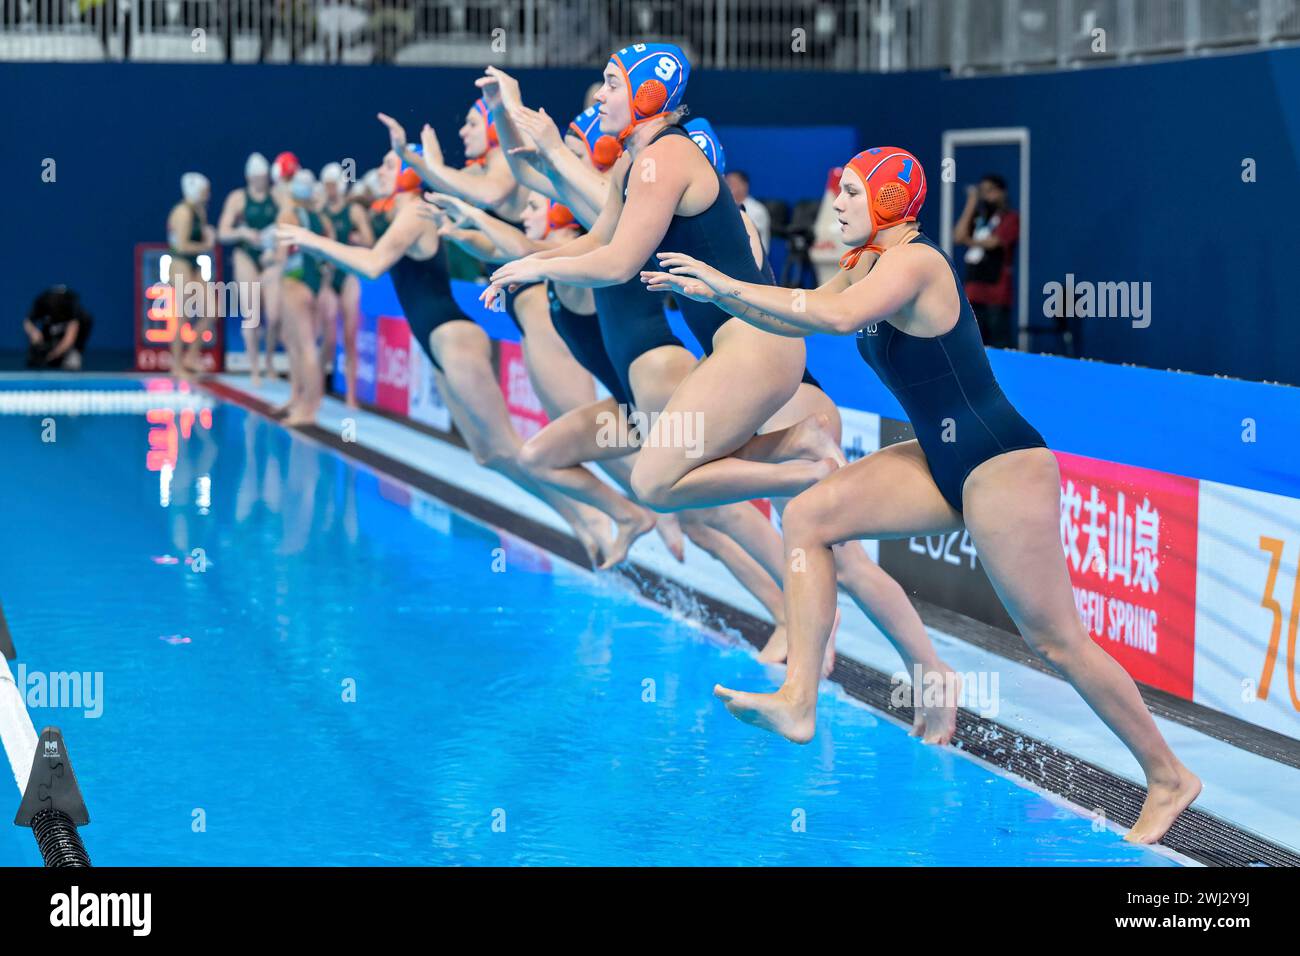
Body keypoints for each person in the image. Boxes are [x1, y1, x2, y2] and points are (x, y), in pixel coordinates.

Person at [642, 146, 1201, 845]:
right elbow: (801, 317)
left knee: (1056, 642)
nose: (835, 205)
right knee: (810, 516)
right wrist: (723, 293)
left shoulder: (917, 262)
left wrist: (728, 282)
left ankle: (1169, 774)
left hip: (999, 461)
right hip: (940, 454)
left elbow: (833, 320)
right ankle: (798, 698)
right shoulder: (871, 263)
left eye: (849, 192)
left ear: (886, 200)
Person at [483, 44, 840, 518]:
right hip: (736, 345)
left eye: (612, 85)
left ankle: (806, 464)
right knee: (662, 477)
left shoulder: (666, 158)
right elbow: (597, 242)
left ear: (647, 96)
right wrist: (524, 263)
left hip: (755, 345)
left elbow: (616, 264)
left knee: (654, 482)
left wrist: (536, 265)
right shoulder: (634, 165)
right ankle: (799, 444)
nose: (599, 99)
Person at [276, 138, 620, 568]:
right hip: (438, 343)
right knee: (490, 455)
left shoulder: (413, 214)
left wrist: (309, 239)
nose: (380, 172)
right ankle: (583, 519)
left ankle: (607, 513)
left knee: (512, 448)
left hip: (455, 338)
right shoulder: (404, 214)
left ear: (406, 174)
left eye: (388, 165)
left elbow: (370, 266)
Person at [217, 152, 283, 387]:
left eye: (262, 178)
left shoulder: (277, 196)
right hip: (246, 255)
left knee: (274, 317)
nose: (259, 182)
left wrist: (274, 248)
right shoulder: (237, 198)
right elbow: (222, 233)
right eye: (255, 178)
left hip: (270, 256)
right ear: (248, 177)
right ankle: (255, 369)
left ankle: (269, 362)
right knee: (252, 316)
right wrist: (242, 232)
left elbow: (293, 224)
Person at [274, 168, 331, 426]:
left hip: (294, 282)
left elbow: (280, 256)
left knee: (305, 346)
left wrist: (272, 263)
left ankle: (309, 408)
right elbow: (331, 252)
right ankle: (298, 397)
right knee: (294, 342)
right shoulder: (321, 218)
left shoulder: (288, 214)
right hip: (313, 283)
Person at [318, 162, 375, 407]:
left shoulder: (353, 212)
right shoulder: (319, 212)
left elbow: (371, 241)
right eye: (327, 185)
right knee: (329, 338)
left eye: (333, 185)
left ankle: (351, 395)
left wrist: (357, 240)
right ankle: (317, 386)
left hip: (349, 275)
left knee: (350, 338)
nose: (330, 190)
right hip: (329, 278)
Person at [954, 173, 1020, 348]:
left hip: (996, 295)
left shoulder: (1010, 218)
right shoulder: (979, 217)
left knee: (999, 345)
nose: (986, 196)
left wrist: (968, 240)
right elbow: (958, 235)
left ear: (1001, 192)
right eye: (983, 192)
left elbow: (992, 243)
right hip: (973, 291)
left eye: (990, 191)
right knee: (971, 346)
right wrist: (971, 204)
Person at [166, 172, 215, 376]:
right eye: (205, 191)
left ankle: (191, 356)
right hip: (179, 263)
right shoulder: (182, 213)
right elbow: (182, 246)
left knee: (212, 311)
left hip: (193, 264)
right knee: (182, 316)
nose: (208, 195)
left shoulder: (199, 211)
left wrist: (207, 237)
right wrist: (207, 244)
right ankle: (176, 366)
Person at [23, 285, 92, 370]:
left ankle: (74, 352)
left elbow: (69, 338)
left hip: (78, 331)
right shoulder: (42, 302)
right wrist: (34, 332)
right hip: (53, 331)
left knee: (71, 363)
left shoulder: (72, 306)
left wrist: (52, 355)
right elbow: (28, 321)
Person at [725, 169, 770, 252]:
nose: (727, 186)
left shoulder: (757, 210)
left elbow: (748, 238)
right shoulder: (726, 207)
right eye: (726, 183)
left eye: (731, 183)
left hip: (754, 259)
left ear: (744, 186)